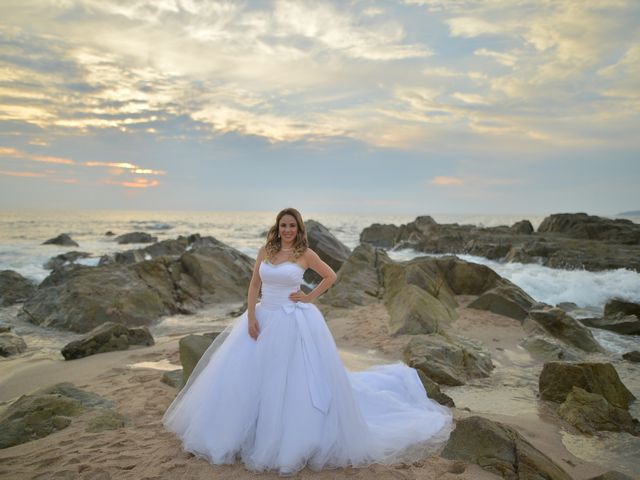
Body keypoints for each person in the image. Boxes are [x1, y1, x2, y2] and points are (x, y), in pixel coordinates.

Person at [162, 207, 453, 476]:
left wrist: (308, 296)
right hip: (265, 316)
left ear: (299, 228)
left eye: (292, 225)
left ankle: (287, 439)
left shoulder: (305, 253)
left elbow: (330, 276)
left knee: (291, 381)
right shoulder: (266, 250)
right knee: (247, 378)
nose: (287, 229)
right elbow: (254, 284)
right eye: (283, 224)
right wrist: (251, 317)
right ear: (277, 227)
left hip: (292, 321)